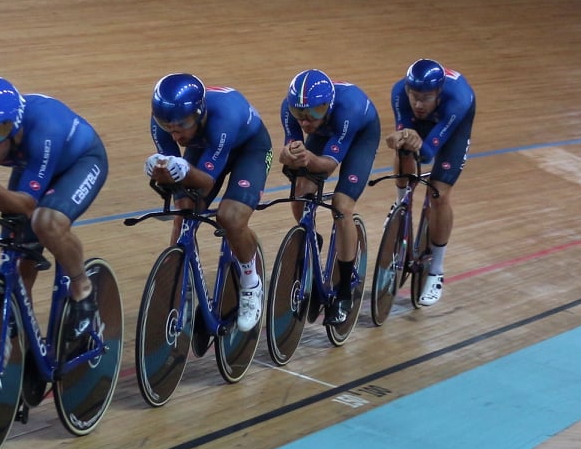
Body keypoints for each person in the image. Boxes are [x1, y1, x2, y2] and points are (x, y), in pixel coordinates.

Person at [0, 75, 109, 356]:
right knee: (17, 250)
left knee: (46, 223)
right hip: (33, 165)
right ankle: (26, 346)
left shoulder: (44, 127)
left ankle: (83, 289)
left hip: (80, 162)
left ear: (13, 126)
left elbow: (25, 206)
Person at [143, 72, 271, 333]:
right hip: (206, 145)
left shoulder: (223, 118)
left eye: (182, 124)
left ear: (199, 114)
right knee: (184, 213)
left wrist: (182, 170)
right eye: (168, 126)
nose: (175, 134)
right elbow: (176, 173)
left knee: (230, 217)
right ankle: (182, 285)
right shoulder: (165, 122)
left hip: (249, 149)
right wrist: (161, 169)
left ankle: (251, 283)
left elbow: (206, 182)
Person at [277, 67, 380, 325]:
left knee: (341, 206)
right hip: (327, 134)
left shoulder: (348, 110)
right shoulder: (289, 110)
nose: (305, 122)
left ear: (328, 105)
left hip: (359, 136)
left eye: (314, 113)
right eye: (299, 114)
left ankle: (344, 290)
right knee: (301, 189)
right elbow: (294, 150)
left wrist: (306, 159)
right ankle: (312, 237)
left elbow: (327, 165)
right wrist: (289, 155)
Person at [385, 57, 477, 307]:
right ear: (407, 90)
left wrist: (415, 142)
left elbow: (427, 154)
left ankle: (436, 271)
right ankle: (400, 204)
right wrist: (402, 138)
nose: (418, 104)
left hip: (453, 126)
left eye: (425, 98)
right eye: (414, 96)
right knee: (404, 148)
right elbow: (405, 138)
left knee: (439, 193)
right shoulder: (399, 93)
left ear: (438, 93)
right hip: (428, 122)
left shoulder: (458, 100)